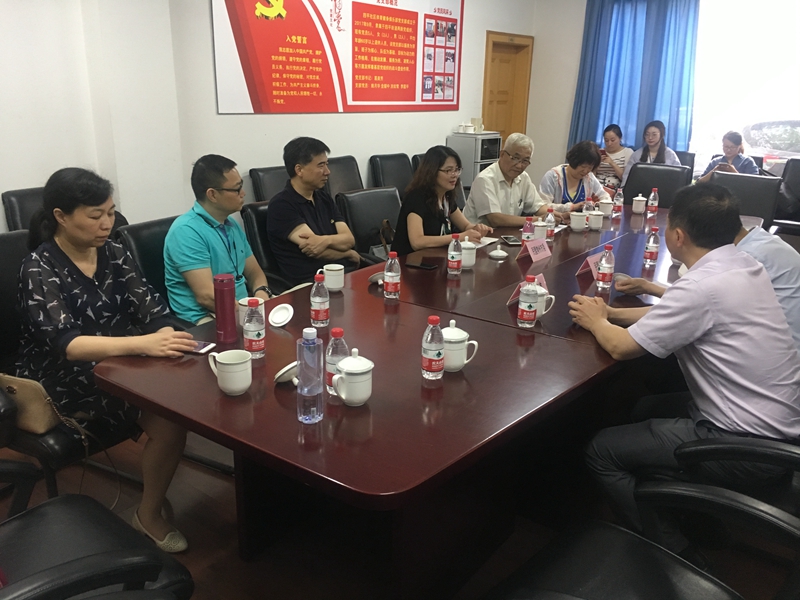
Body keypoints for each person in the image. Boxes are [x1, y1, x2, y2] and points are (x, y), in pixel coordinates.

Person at [568, 183, 800, 560]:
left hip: (746, 447)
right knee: (644, 408)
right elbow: (679, 310)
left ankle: (675, 553)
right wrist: (609, 314)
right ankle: (695, 515)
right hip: (781, 430)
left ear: (677, 236)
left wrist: (597, 323)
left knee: (602, 450)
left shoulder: (701, 285)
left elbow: (621, 347)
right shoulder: (744, 265)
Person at [17, 168, 196, 552]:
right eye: (95, 215)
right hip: (64, 377)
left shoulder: (114, 251)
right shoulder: (39, 267)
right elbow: (68, 344)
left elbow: (152, 309)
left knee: (181, 392)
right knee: (167, 414)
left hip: (125, 358)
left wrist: (166, 334)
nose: (107, 224)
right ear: (61, 217)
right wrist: (144, 344)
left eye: (111, 213)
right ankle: (149, 515)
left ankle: (148, 508)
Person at [616, 221, 800, 355]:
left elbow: (693, 303)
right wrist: (651, 287)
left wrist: (607, 314)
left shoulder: (743, 259)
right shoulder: (760, 240)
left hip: (779, 355)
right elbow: (707, 300)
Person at [164, 154, 274, 324]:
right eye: (237, 189)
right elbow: (207, 297)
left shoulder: (230, 224)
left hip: (243, 309)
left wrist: (261, 295)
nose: (243, 193)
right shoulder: (186, 231)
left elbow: (255, 273)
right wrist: (251, 312)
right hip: (207, 319)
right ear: (213, 195)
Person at [267, 137, 360, 285]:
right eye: (321, 165)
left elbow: (348, 239)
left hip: (341, 273)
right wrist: (348, 254)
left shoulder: (324, 198)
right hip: (310, 281)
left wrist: (325, 240)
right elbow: (315, 250)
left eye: (327, 164)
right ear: (299, 170)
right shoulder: (281, 205)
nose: (327, 172)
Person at [391, 145, 493, 256]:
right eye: (448, 170)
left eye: (457, 170)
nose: (455, 175)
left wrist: (476, 228)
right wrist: (459, 237)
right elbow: (417, 242)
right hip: (409, 261)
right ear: (432, 172)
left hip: (435, 257)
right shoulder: (416, 197)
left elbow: (465, 226)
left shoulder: (446, 196)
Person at [462, 133, 556, 227]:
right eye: (515, 158)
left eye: (525, 161)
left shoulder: (523, 177)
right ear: (502, 154)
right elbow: (495, 219)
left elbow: (538, 206)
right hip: (480, 234)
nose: (519, 165)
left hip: (508, 233)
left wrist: (552, 215)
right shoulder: (485, 179)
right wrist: (538, 220)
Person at [539, 140, 611, 214]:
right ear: (574, 161)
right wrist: (571, 207)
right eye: (583, 166)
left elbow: (605, 197)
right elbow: (542, 206)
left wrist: (597, 205)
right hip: (557, 220)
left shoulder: (589, 177)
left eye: (590, 167)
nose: (586, 171)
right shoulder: (553, 176)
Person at [620, 120, 681, 187]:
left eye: (654, 134)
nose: (650, 138)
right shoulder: (637, 154)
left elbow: (678, 177)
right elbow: (627, 176)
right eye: (647, 134)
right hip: (640, 189)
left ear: (662, 135)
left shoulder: (671, 155)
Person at [594, 124, 633, 190]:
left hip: (615, 188)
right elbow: (591, 176)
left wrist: (612, 163)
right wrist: (596, 164)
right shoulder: (599, 152)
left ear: (620, 138)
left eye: (612, 140)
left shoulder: (627, 152)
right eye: (606, 140)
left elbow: (625, 178)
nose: (609, 143)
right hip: (597, 186)